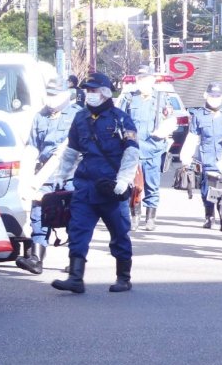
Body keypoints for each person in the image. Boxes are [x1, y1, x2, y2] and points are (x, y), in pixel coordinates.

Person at [51, 72, 139, 294]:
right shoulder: (80, 118)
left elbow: (131, 151)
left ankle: (123, 277)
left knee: (119, 233)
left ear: (106, 93)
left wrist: (124, 180)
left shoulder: (121, 118)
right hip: (86, 185)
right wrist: (61, 174)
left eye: (94, 90)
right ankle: (75, 277)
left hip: (112, 187)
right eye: (87, 91)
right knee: (78, 230)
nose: (89, 94)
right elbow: (71, 149)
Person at [16, 78, 83, 275]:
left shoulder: (78, 115)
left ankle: (75, 261)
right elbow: (33, 146)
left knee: (75, 216)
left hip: (71, 174)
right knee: (39, 213)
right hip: (45, 174)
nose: (51, 100)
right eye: (49, 95)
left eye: (55, 95)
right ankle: (36, 259)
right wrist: (27, 177)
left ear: (65, 94)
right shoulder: (40, 116)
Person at [120, 65, 176, 231]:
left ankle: (150, 218)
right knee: (133, 186)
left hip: (153, 149)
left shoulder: (161, 98)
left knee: (152, 185)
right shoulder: (129, 98)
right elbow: (120, 122)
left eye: (147, 79)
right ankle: (134, 216)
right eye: (141, 79)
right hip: (133, 150)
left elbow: (171, 120)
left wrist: (165, 130)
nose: (143, 82)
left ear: (152, 80)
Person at [179, 82, 222, 229]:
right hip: (206, 159)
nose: (214, 99)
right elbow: (192, 138)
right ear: (206, 96)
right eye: (211, 96)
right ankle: (209, 216)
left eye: (217, 96)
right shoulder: (198, 115)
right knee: (206, 190)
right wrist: (186, 158)